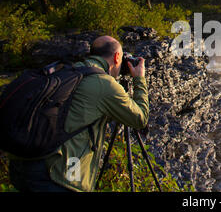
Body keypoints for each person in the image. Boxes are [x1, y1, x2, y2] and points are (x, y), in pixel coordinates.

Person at [8, 36, 150, 192]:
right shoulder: (105, 84)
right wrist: (139, 79)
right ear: (117, 57)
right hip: (59, 176)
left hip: (23, 166)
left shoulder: (68, 71)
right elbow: (140, 118)